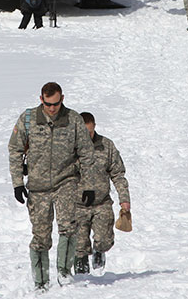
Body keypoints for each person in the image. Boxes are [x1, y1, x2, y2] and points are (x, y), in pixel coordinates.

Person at [8, 82, 95, 290]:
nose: (52, 108)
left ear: (62, 99)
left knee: (68, 227)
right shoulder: (28, 119)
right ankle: (40, 281)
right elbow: (15, 149)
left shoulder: (73, 119)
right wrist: (18, 183)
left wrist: (88, 185)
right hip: (38, 187)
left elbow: (86, 153)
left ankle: (64, 272)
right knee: (40, 236)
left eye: (56, 103)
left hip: (66, 182)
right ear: (41, 100)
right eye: (48, 104)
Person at [73, 112, 130, 274]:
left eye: (90, 132)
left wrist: (124, 199)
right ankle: (81, 268)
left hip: (101, 202)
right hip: (77, 204)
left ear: (94, 127)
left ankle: (99, 251)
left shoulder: (106, 146)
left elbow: (118, 174)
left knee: (104, 240)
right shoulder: (69, 148)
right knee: (79, 245)